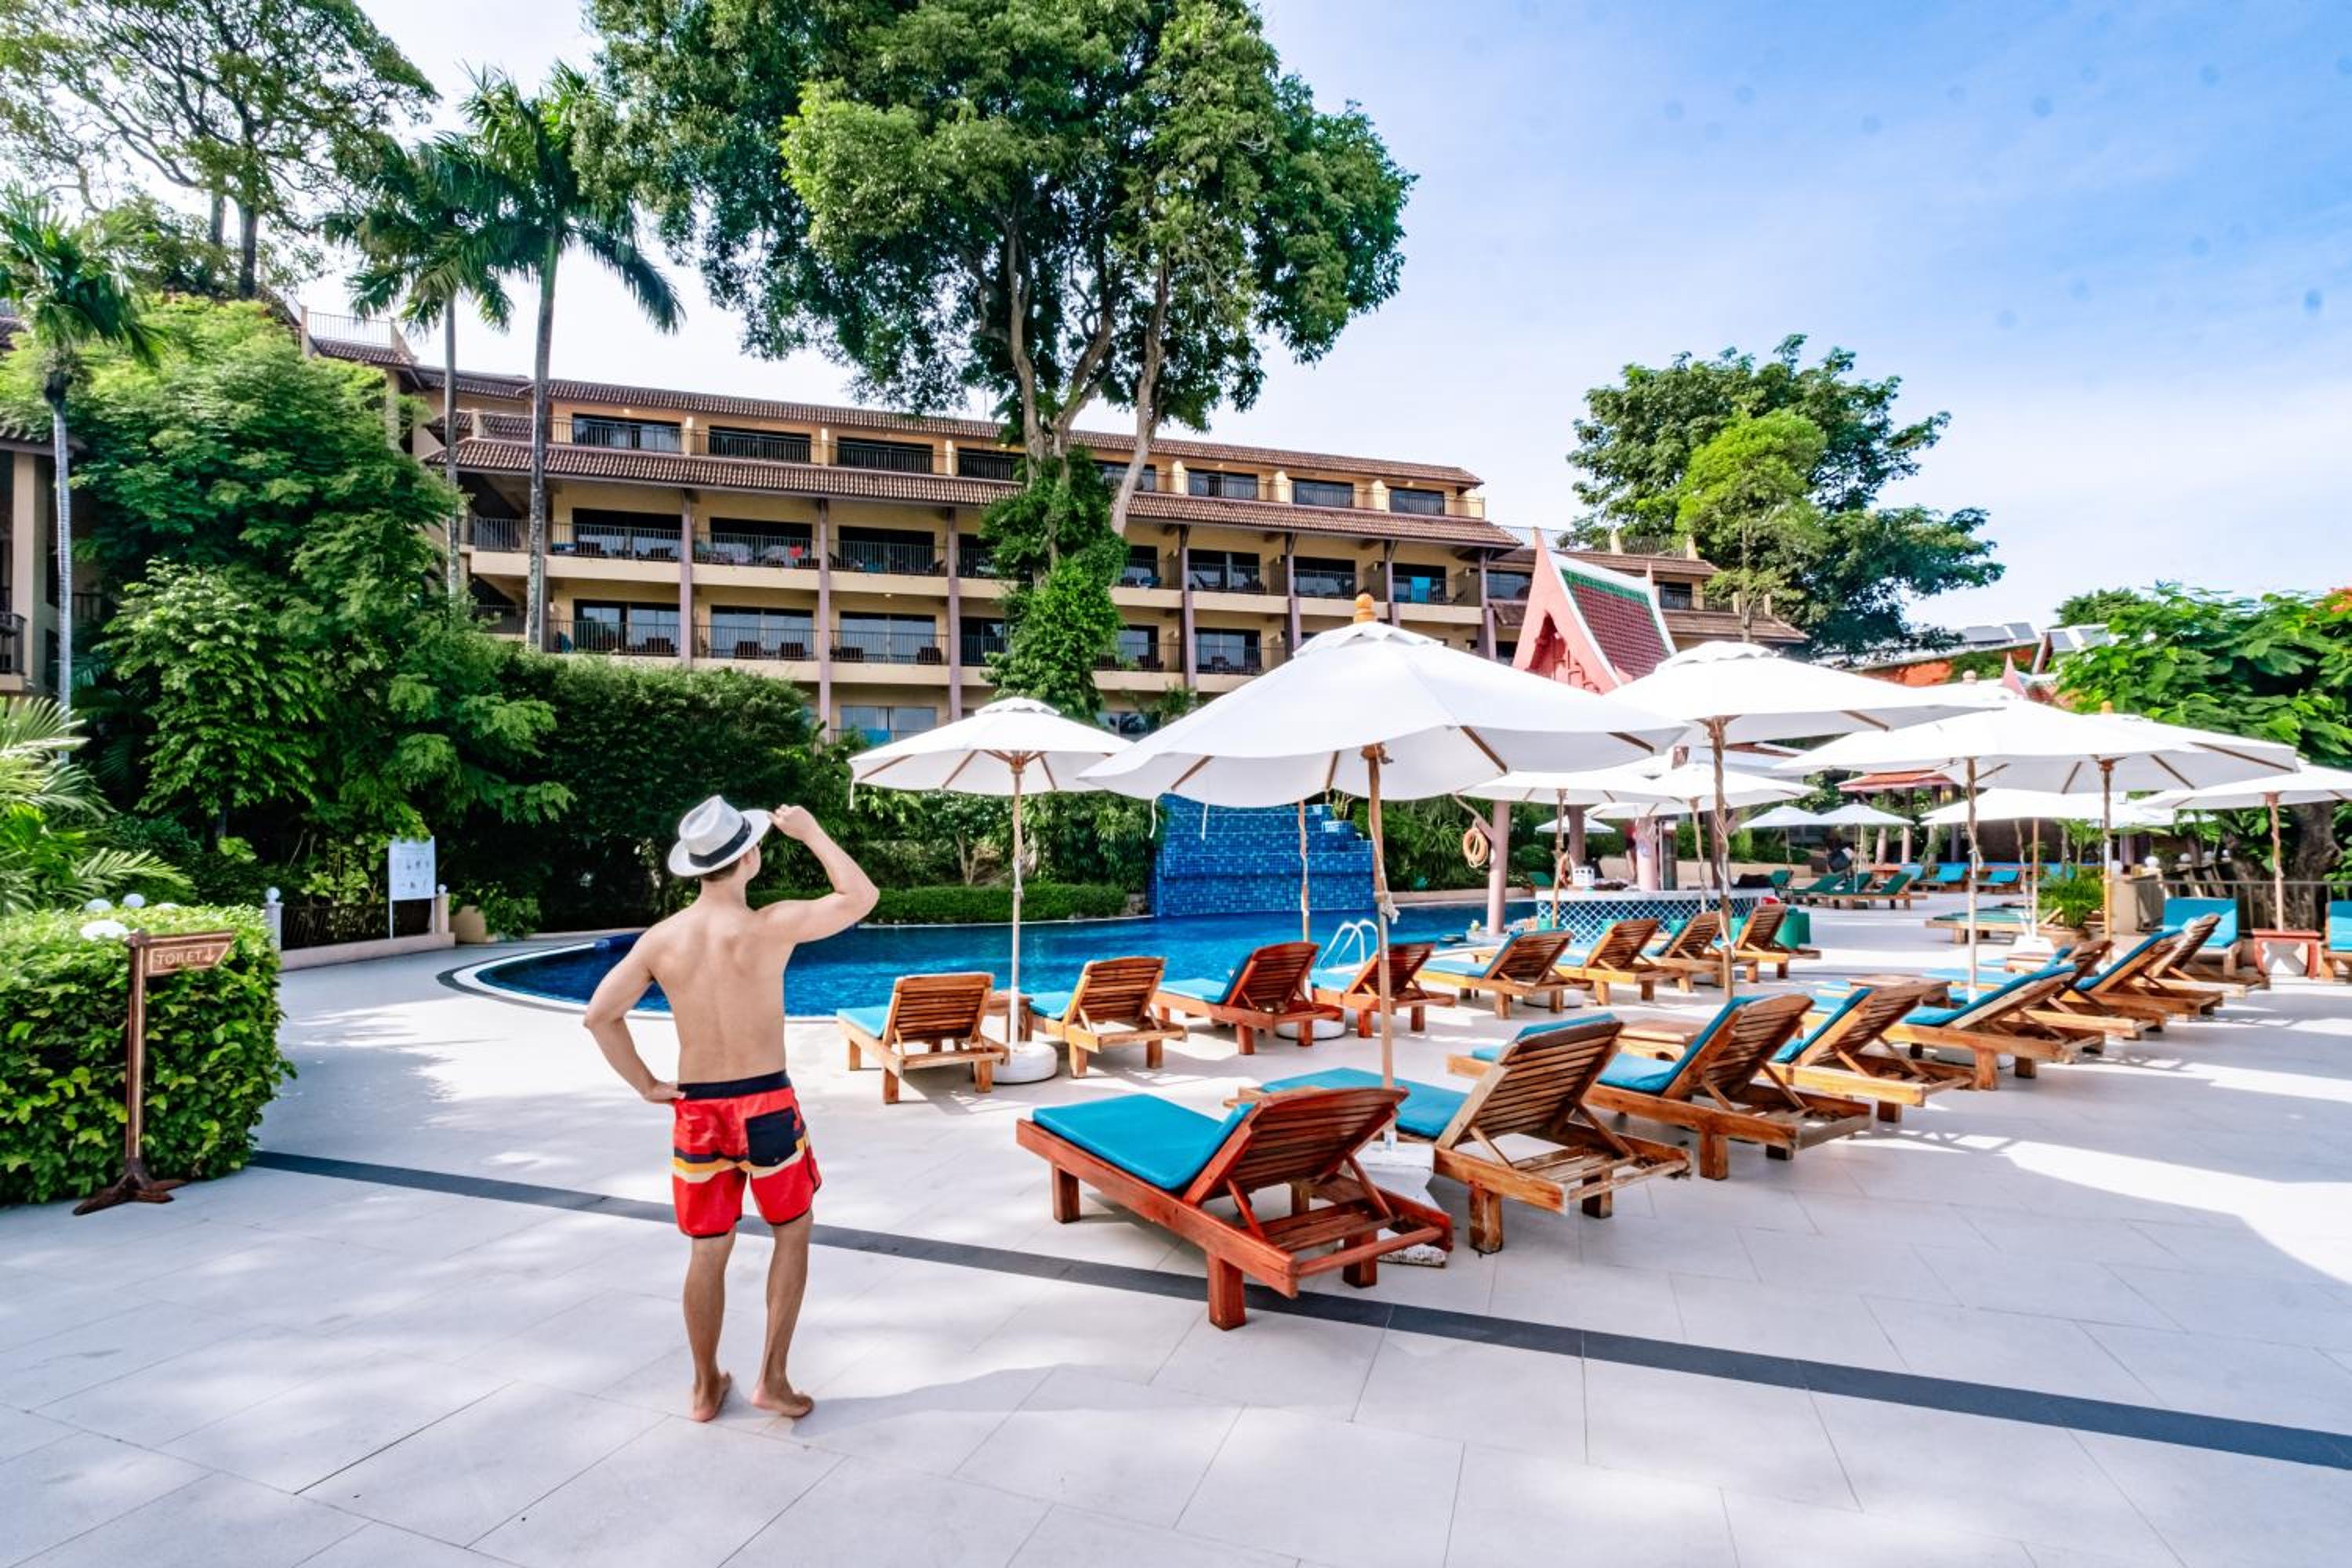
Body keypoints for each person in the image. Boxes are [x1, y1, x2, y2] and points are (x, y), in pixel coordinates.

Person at [583, 796, 877, 1423]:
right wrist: (811, 832)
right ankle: (773, 1379)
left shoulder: (661, 941)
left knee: (708, 1249)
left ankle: (703, 1388)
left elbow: (600, 1016)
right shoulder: (770, 925)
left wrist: (646, 1084)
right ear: (749, 857)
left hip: (699, 1111)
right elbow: (860, 897)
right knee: (792, 1231)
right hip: (766, 1102)